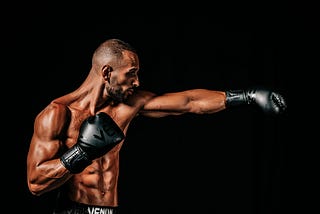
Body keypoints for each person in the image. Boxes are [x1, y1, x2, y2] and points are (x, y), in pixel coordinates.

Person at [26, 38, 287, 214]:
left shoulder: (128, 105)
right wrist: (81, 152)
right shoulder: (58, 114)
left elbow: (190, 102)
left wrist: (247, 95)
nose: (137, 82)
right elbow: (36, 184)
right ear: (107, 73)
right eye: (131, 73)